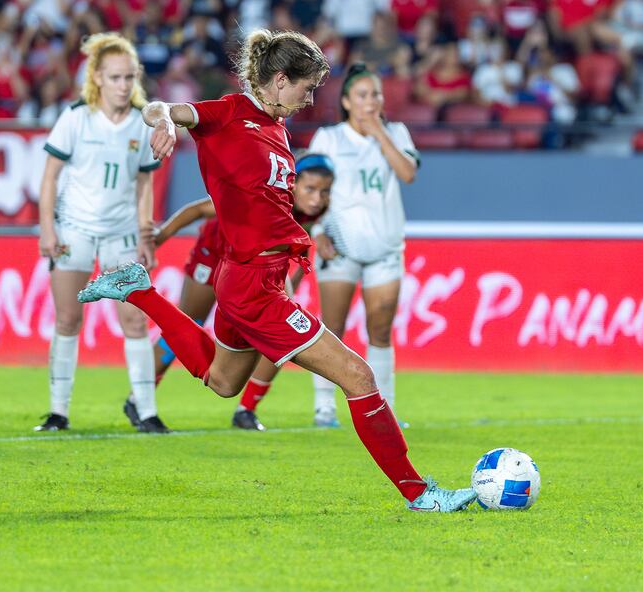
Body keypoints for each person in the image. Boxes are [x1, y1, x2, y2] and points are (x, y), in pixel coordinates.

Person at [75, 29, 477, 512]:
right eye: (306, 89)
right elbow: (161, 108)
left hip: (251, 277)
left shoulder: (278, 129)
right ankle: (420, 494)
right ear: (280, 79)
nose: (309, 101)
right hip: (253, 286)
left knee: (223, 382)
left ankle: (140, 292)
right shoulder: (227, 113)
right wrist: (161, 123)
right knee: (358, 375)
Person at [35, 33, 167, 435]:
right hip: (74, 229)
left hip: (121, 233)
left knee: (134, 322)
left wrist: (145, 235)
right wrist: (47, 228)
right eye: (115, 77)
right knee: (68, 320)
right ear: (97, 78)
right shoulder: (76, 117)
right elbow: (50, 177)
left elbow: (144, 185)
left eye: (129, 77)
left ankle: (146, 411)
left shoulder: (143, 122)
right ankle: (58, 412)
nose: (124, 85)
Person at [148, 154, 335, 431]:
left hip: (253, 268)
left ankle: (246, 410)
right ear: (292, 184)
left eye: (325, 191)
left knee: (282, 337)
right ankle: (141, 401)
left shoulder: (312, 211)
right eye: (310, 189)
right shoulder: (264, 194)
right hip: (215, 253)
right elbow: (199, 210)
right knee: (189, 323)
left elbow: (298, 243)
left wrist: (290, 286)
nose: (317, 198)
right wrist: (161, 236)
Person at [306, 64, 418, 428]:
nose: (371, 101)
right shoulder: (330, 138)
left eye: (376, 95)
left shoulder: (396, 132)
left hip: (385, 247)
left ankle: (388, 409)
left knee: (380, 330)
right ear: (346, 102)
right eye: (363, 95)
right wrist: (316, 231)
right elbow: (308, 189)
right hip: (339, 246)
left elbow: (407, 173)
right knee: (332, 327)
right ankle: (325, 406)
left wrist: (379, 134)